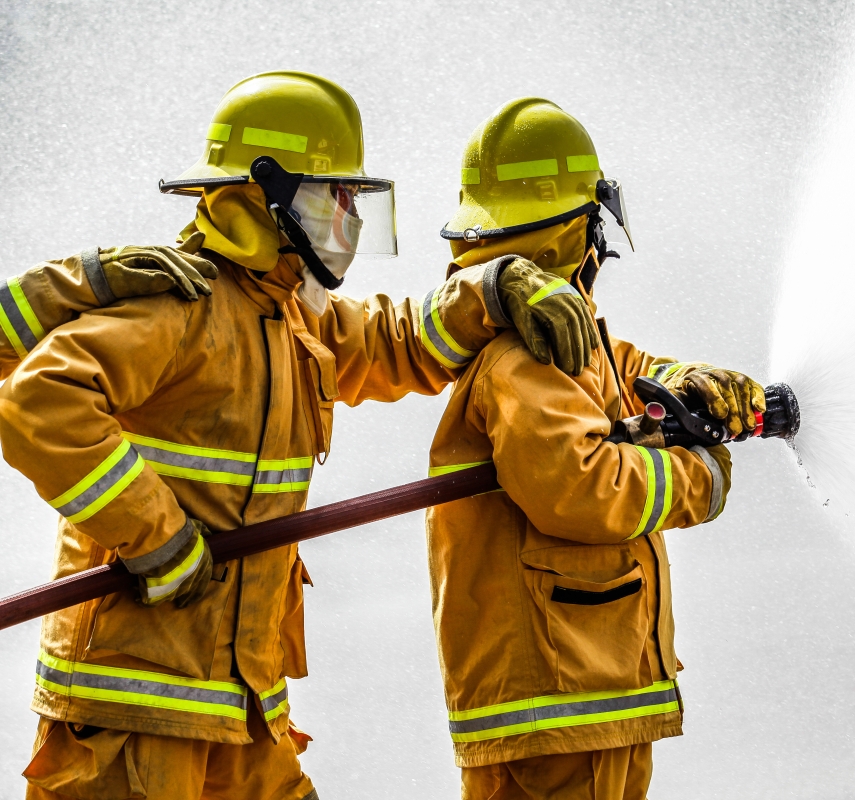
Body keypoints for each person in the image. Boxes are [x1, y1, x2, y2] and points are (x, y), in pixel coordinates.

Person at [0, 73, 594, 800]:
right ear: (268, 194)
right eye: (332, 198)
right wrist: (153, 535)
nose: (345, 219)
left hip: (238, 710)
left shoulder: (286, 314)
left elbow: (394, 340)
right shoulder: (179, 307)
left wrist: (495, 288)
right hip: (133, 714)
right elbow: (38, 404)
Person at [425, 97, 767, 800]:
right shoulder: (525, 356)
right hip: (561, 698)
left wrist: (685, 381)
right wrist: (699, 475)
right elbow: (578, 489)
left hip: (578, 695)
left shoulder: (556, 340)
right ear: (569, 234)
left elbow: (620, 368)